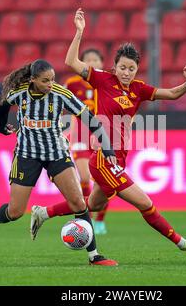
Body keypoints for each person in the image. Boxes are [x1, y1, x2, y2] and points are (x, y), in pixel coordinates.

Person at [30, 9, 186, 255]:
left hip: (120, 157)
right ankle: (181, 243)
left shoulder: (139, 89)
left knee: (89, 204)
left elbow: (172, 94)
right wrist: (79, 32)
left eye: (131, 68)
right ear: (114, 67)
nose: (127, 72)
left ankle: (43, 212)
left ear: (136, 69)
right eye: (123, 67)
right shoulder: (103, 80)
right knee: (145, 203)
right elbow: (71, 62)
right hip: (104, 157)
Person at [0, 59, 118, 266]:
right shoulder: (20, 93)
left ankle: (94, 255)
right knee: (15, 212)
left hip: (56, 153)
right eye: (45, 81)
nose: (50, 84)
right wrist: (1, 127)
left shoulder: (61, 95)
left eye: (53, 79)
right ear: (33, 79)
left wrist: (107, 147)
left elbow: (91, 119)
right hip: (27, 154)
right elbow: (3, 106)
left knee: (79, 202)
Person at [65, 48, 109, 235]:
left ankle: (100, 221)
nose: (91, 62)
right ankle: (85, 217)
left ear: (102, 63)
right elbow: (60, 103)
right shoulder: (73, 83)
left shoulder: (108, 82)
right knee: (83, 177)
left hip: (103, 134)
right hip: (80, 134)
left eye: (95, 59)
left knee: (105, 181)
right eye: (87, 59)